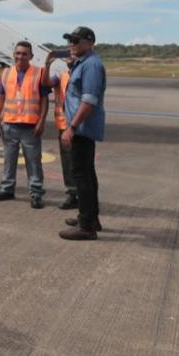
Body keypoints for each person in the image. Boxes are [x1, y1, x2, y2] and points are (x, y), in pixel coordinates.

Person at [58, 26, 107, 242]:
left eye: (76, 41)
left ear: (90, 42)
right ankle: (89, 218)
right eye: (71, 40)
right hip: (83, 128)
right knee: (87, 174)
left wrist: (72, 127)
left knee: (81, 176)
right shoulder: (83, 63)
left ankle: (87, 227)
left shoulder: (92, 65)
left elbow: (88, 101)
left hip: (82, 129)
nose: (72, 44)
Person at [0, 41, 49, 209]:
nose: (20, 56)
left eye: (24, 54)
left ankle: (36, 193)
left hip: (30, 126)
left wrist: (42, 121)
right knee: (9, 160)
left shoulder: (39, 73)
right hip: (9, 124)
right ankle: (7, 189)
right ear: (13, 55)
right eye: (18, 53)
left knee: (33, 162)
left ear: (31, 56)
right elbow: (0, 97)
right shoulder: (6, 73)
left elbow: (45, 99)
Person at [43, 51, 78, 209]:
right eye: (69, 57)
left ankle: (79, 194)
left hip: (78, 128)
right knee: (67, 162)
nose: (70, 59)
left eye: (74, 57)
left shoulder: (82, 77)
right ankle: (72, 192)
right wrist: (47, 64)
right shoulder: (61, 76)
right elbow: (46, 84)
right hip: (63, 126)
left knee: (79, 163)